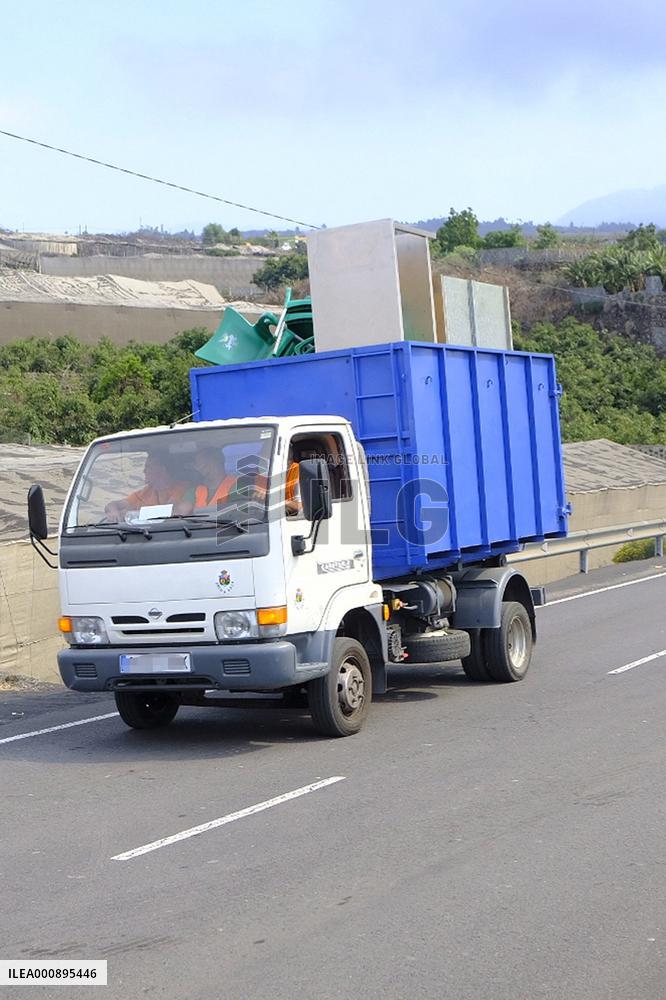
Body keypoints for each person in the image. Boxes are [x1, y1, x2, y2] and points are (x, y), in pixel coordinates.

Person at [105, 452, 188, 522]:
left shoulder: (181, 488)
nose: (144, 471)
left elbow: (167, 512)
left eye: (148, 467)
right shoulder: (145, 492)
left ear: (162, 469)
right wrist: (114, 510)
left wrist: (130, 514)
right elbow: (113, 505)